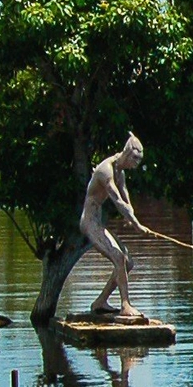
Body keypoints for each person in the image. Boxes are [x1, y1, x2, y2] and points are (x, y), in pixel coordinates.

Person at [79, 134, 145, 319]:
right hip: (89, 222)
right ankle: (125, 305)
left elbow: (125, 197)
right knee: (118, 257)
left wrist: (131, 215)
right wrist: (136, 224)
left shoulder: (119, 172)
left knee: (127, 262)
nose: (136, 165)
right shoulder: (105, 170)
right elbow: (116, 199)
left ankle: (100, 302)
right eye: (135, 160)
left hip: (97, 222)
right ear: (127, 154)